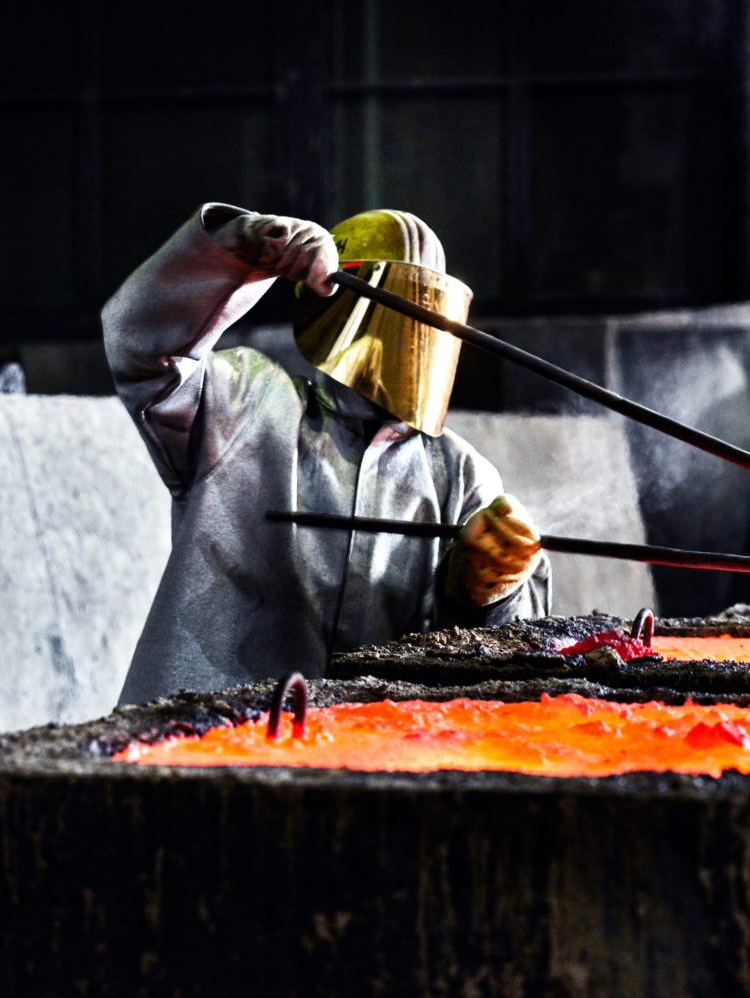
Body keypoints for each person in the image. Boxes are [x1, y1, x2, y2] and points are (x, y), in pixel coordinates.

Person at [103, 202, 549, 705]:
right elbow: (140, 344)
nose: (411, 339)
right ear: (334, 295)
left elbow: (512, 672)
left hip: (367, 762)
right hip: (206, 745)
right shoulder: (244, 405)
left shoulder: (463, 478)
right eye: (397, 306)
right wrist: (239, 247)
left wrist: (487, 597)